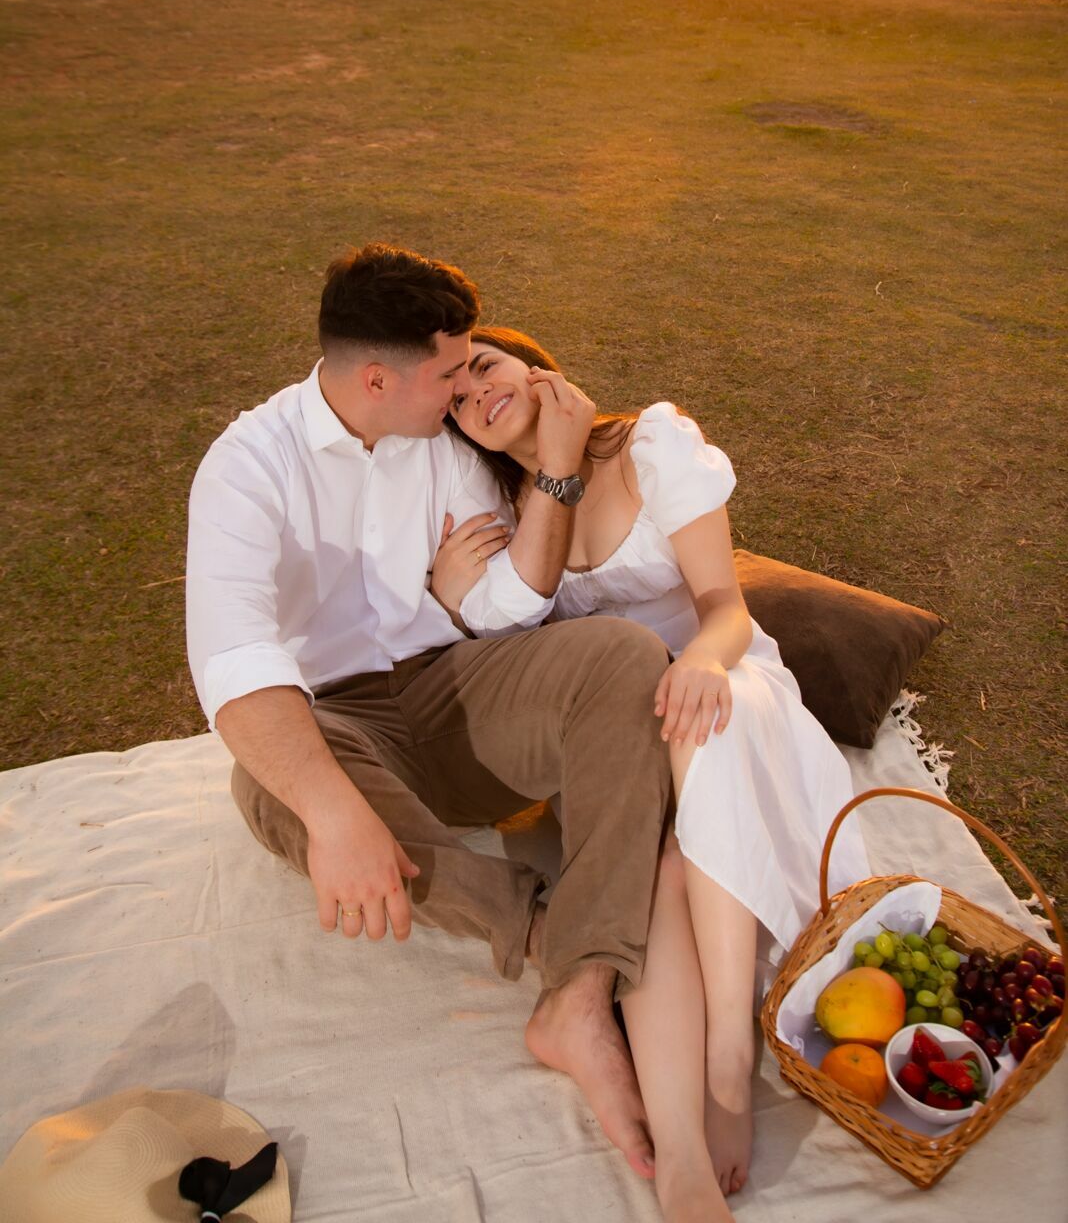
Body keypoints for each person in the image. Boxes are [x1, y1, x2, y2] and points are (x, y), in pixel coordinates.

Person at [185, 243, 676, 1184]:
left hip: (457, 690)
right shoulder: (246, 467)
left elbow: (506, 608)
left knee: (619, 655)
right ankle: (561, 948)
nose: (464, 390)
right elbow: (236, 665)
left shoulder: (438, 442)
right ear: (379, 378)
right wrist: (336, 818)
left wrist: (469, 589)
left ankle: (575, 997)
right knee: (275, 783)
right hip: (341, 720)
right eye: (449, 373)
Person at [443, 326, 871, 1217]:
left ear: (534, 364)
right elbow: (506, 642)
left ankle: (724, 1059)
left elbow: (725, 608)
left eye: (484, 366)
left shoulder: (651, 443)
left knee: (691, 727)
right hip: (619, 729)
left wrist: (705, 663)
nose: (475, 392)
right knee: (654, 873)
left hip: (724, 680)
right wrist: (455, 593)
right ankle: (679, 1159)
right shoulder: (518, 514)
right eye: (455, 399)